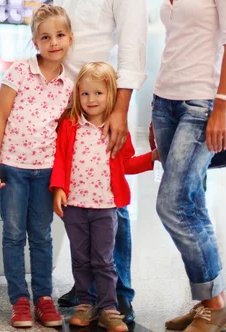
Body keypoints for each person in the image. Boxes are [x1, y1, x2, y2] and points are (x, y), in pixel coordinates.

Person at [150, 0, 226, 332]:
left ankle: (217, 302)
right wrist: (153, 112)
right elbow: (172, 47)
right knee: (193, 202)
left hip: (200, 103)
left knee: (171, 204)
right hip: (165, 103)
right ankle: (206, 300)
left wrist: (220, 106)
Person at [54, 0, 148, 323]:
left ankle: (119, 292)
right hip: (67, 104)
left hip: (102, 100)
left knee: (112, 201)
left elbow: (132, 48)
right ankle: (86, 288)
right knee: (77, 198)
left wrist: (119, 109)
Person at [51, 62, 158, 332]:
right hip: (74, 205)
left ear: (110, 95)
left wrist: (153, 157)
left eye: (98, 93)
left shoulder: (116, 130)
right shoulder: (70, 125)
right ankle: (85, 305)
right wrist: (59, 189)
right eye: (85, 94)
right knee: (80, 258)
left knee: (104, 259)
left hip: (106, 207)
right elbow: (61, 159)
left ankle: (109, 308)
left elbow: (128, 164)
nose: (91, 99)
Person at [0, 4, 74, 328]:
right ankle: (19, 300)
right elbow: (0, 117)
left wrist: (62, 179)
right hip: (12, 167)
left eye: (60, 35)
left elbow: (66, 136)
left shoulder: (70, 85)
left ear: (70, 38)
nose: (54, 42)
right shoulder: (19, 72)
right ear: (35, 42)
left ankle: (44, 298)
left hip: (46, 172)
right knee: (12, 235)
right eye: (46, 37)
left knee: (41, 235)